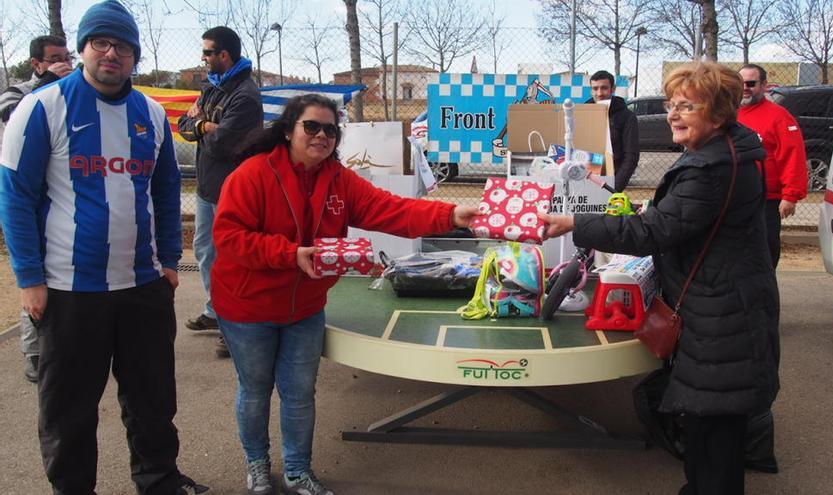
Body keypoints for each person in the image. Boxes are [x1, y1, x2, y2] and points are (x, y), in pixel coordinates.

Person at [212, 93, 479, 495]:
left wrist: (448, 215)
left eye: (331, 130)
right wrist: (289, 254)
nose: (322, 135)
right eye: (312, 127)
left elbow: (391, 209)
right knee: (255, 390)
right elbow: (229, 238)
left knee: (299, 392)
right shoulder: (252, 175)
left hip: (304, 307)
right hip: (247, 306)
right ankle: (258, 467)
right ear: (288, 131)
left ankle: (298, 471)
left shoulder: (339, 179)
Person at [540, 62, 779, 495]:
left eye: (688, 105)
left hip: (723, 312)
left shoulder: (712, 167)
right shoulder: (722, 151)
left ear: (720, 111)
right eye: (672, 104)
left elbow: (654, 233)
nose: (673, 113)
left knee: (716, 427)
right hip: (723, 303)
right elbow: (673, 221)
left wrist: (576, 221)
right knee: (706, 421)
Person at [0, 2, 208, 494]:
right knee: (68, 407)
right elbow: (15, 197)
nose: (111, 53)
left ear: (134, 55)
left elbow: (163, 189)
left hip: (142, 285)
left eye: (122, 46)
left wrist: (169, 263)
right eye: (101, 43)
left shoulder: (151, 114)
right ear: (83, 49)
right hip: (70, 289)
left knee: (153, 398)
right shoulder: (41, 107)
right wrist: (29, 279)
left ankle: (159, 480)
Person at [178, 26, 263, 358]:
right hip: (206, 188)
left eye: (208, 52)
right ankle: (218, 312)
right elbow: (185, 126)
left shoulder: (245, 95)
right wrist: (203, 126)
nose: (203, 58)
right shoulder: (212, 89)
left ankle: (236, 326)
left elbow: (223, 144)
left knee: (232, 260)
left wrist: (204, 127)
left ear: (224, 55)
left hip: (231, 191)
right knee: (205, 251)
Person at [0, 35, 73, 384]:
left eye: (66, 56)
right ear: (36, 63)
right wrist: (48, 83)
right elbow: (11, 116)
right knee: (35, 281)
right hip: (30, 202)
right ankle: (34, 353)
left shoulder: (71, 94)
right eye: (54, 58)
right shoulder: (19, 92)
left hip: (63, 205)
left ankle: (64, 349)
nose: (63, 62)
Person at [737, 63, 808, 267]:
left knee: (764, 252)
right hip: (736, 198)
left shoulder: (779, 117)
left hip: (766, 200)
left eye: (751, 83)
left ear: (764, 85)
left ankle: (763, 295)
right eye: (740, 83)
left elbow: (793, 156)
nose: (745, 88)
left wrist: (790, 196)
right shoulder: (730, 114)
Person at [585, 70, 640, 191]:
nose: (599, 93)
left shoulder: (627, 117)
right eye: (595, 88)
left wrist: (614, 188)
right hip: (584, 179)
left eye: (604, 88)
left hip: (612, 180)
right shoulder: (583, 113)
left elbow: (631, 156)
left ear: (613, 88)